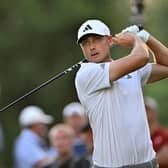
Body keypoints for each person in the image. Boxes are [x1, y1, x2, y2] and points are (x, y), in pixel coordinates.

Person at [75, 19, 168, 168]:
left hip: (148, 163)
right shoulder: (85, 74)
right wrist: (136, 39)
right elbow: (141, 57)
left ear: (110, 40)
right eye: (85, 43)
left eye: (97, 39)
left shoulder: (132, 70)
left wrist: (147, 37)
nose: (91, 47)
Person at [145, 96, 168, 168]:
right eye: (143, 109)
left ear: (155, 112)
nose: (145, 112)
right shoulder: (139, 137)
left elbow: (165, 157)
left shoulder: (164, 134)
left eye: (148, 110)